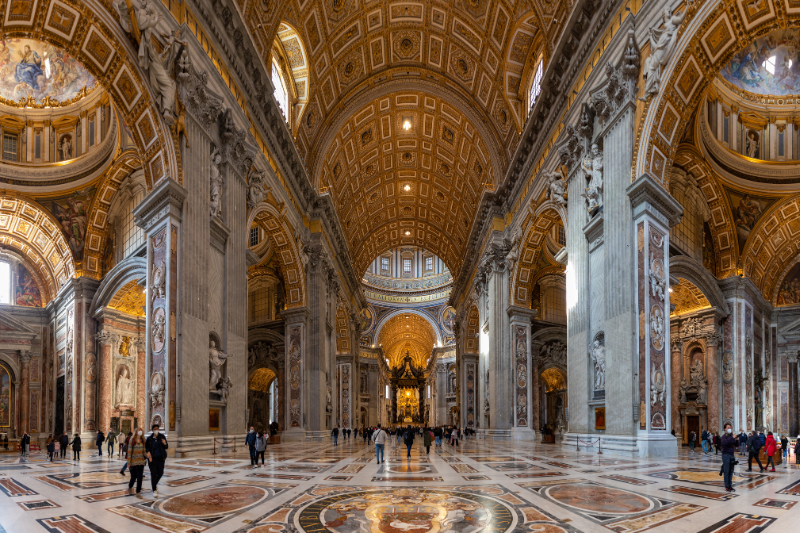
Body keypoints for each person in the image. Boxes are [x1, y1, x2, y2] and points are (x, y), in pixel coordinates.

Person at [145, 424, 168, 498]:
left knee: (161, 473)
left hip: (161, 458)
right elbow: (146, 448)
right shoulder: (149, 439)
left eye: (157, 428)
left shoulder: (162, 437)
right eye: (154, 429)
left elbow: (166, 446)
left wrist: (165, 443)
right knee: (153, 474)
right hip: (152, 459)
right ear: (152, 430)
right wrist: (148, 453)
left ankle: (155, 483)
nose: (156, 430)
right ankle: (154, 490)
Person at [126, 429, 147, 495]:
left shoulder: (143, 440)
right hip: (133, 462)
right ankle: (130, 487)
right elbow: (129, 452)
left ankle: (138, 492)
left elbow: (144, 451)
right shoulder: (132, 440)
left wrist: (147, 455)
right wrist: (128, 462)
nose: (140, 432)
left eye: (141, 430)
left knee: (140, 477)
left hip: (141, 461)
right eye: (139, 430)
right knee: (134, 477)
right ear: (136, 432)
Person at [720, 423, 737, 493]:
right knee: (727, 471)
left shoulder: (731, 436)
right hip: (726, 455)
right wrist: (732, 437)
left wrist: (737, 439)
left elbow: (736, 444)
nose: (729, 428)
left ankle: (730, 486)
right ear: (725, 429)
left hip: (731, 455)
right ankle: (727, 486)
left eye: (730, 427)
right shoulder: (723, 437)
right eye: (728, 427)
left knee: (731, 471)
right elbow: (725, 443)